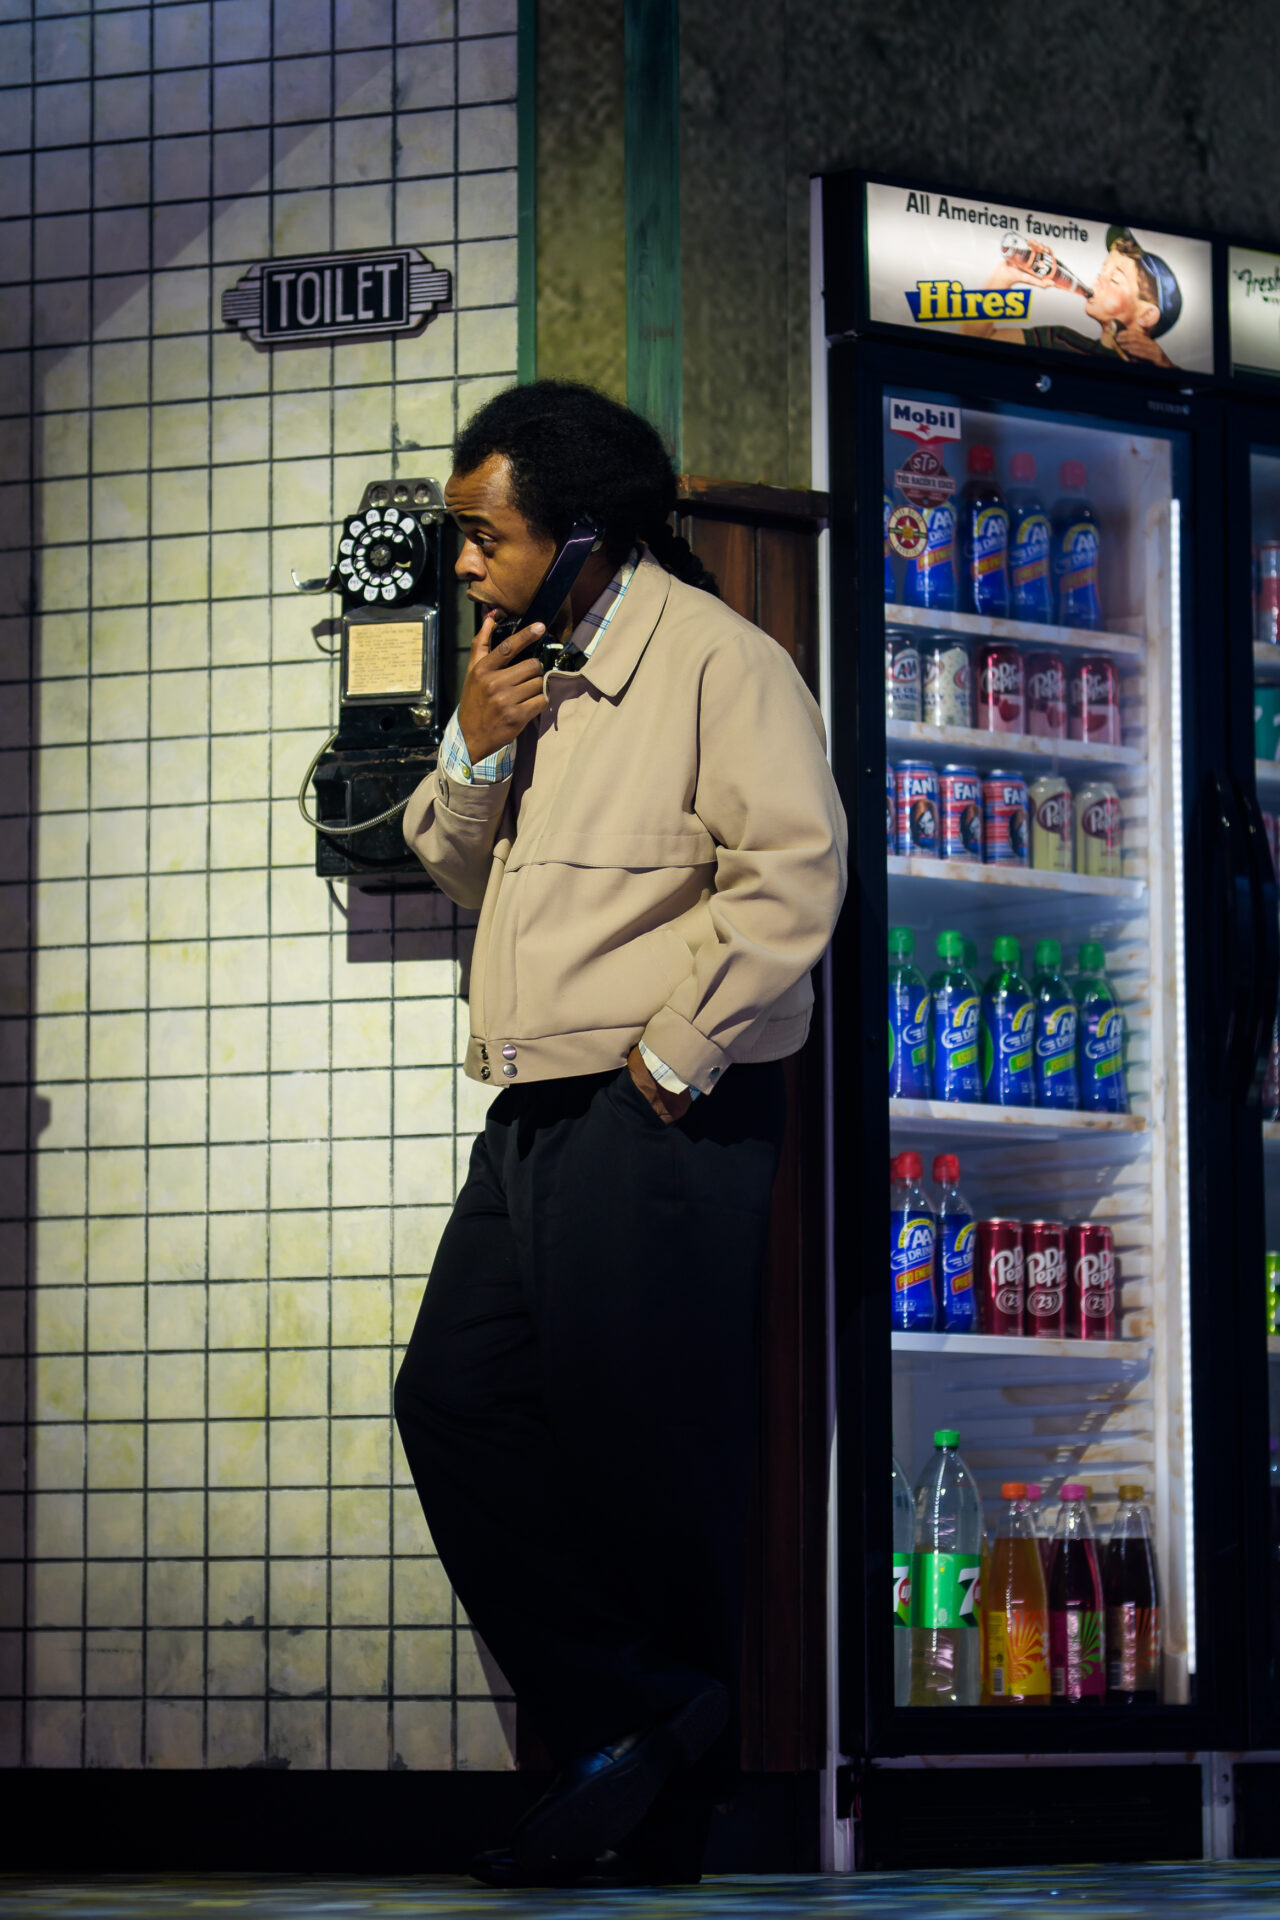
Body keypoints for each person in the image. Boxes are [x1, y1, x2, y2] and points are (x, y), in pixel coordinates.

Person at [393, 380, 847, 1887]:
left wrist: (676, 1053)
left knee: (646, 1452)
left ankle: (663, 1805)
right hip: (534, 1103)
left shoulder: (721, 660)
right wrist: (472, 745)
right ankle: (641, 1717)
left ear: (580, 533)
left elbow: (793, 872)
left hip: (655, 1105)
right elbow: (456, 868)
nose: (466, 560)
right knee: (453, 1399)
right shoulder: (519, 672)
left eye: (486, 533)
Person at [969, 224, 1183, 367]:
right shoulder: (1061, 342)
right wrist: (1003, 277)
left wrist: (1166, 368)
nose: (1098, 279)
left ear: (1147, 315)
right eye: (1102, 270)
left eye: (1115, 279)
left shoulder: (1159, 379)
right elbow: (972, 345)